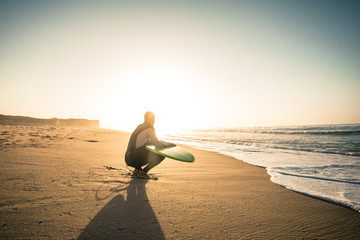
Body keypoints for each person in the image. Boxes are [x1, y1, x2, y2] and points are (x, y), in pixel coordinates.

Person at [125, 111, 175, 178]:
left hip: (128, 158)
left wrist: (164, 143)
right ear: (150, 119)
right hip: (134, 160)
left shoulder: (140, 126)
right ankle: (144, 172)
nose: (154, 121)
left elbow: (150, 142)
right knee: (161, 155)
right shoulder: (149, 128)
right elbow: (157, 145)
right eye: (153, 119)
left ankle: (137, 170)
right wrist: (168, 145)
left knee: (141, 150)